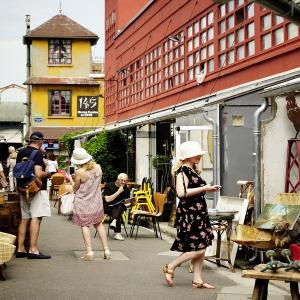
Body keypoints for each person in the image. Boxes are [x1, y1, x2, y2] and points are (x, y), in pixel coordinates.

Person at [163, 141, 221, 289]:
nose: (199, 156)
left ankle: (197, 280)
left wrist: (208, 189)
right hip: (190, 214)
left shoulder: (193, 170)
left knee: (202, 244)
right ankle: (171, 266)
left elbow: (194, 190)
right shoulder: (183, 171)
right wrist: (204, 188)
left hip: (198, 212)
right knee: (199, 248)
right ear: (187, 156)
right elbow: (182, 193)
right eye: (196, 154)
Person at [69, 147, 111, 260]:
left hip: (83, 201)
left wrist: (71, 181)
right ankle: (106, 250)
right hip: (96, 200)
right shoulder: (98, 167)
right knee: (98, 224)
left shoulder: (79, 172)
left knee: (84, 225)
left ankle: (89, 251)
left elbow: (76, 187)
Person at [16, 132, 52, 259]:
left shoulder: (21, 152)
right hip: (36, 189)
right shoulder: (38, 153)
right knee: (36, 217)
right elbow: (38, 174)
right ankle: (33, 249)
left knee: (25, 218)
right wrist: (48, 173)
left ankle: (20, 248)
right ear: (40, 141)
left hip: (23, 188)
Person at [102, 173, 130, 241]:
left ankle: (114, 220)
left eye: (125, 181)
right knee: (118, 209)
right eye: (122, 180)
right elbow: (107, 199)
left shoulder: (126, 188)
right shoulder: (109, 185)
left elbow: (126, 202)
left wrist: (131, 203)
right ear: (117, 179)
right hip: (108, 207)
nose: (123, 182)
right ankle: (117, 233)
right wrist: (119, 192)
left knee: (119, 206)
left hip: (120, 207)